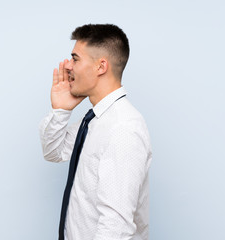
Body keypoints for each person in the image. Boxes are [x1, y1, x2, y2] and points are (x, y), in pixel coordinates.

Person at [39, 24, 152, 240]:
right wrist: (61, 110)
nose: (68, 66)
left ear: (101, 67)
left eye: (75, 58)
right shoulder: (94, 120)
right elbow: (53, 152)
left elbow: (115, 226)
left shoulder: (123, 128)